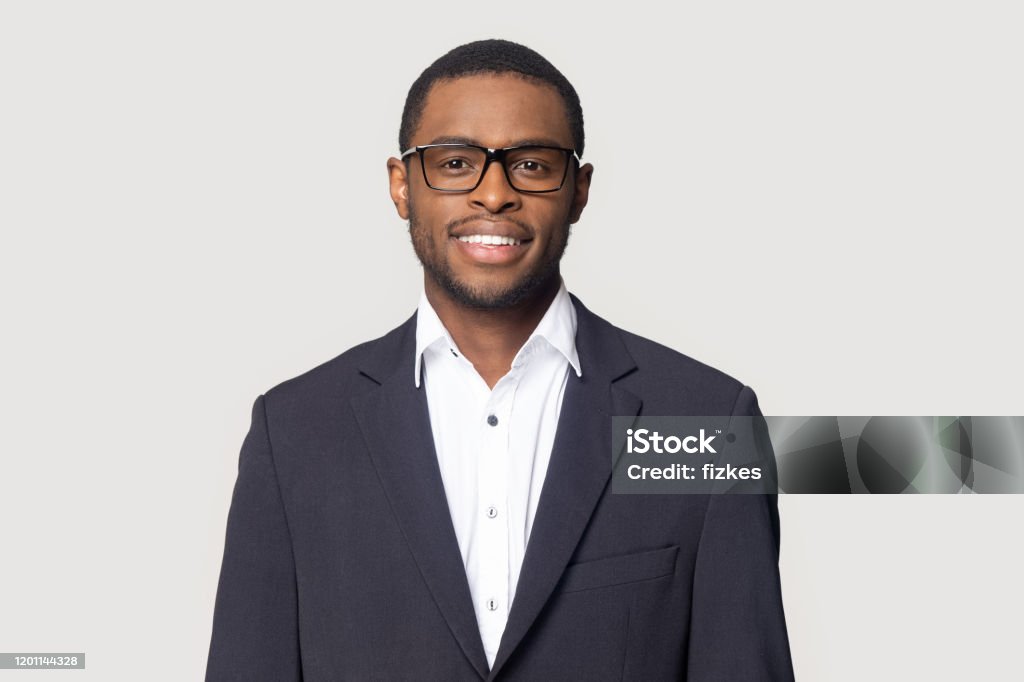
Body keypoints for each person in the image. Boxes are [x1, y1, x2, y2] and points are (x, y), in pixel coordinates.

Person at [205, 38, 794, 681]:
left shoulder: (707, 419)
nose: (493, 195)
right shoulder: (293, 432)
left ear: (578, 190)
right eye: (455, 163)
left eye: (532, 165)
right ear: (402, 188)